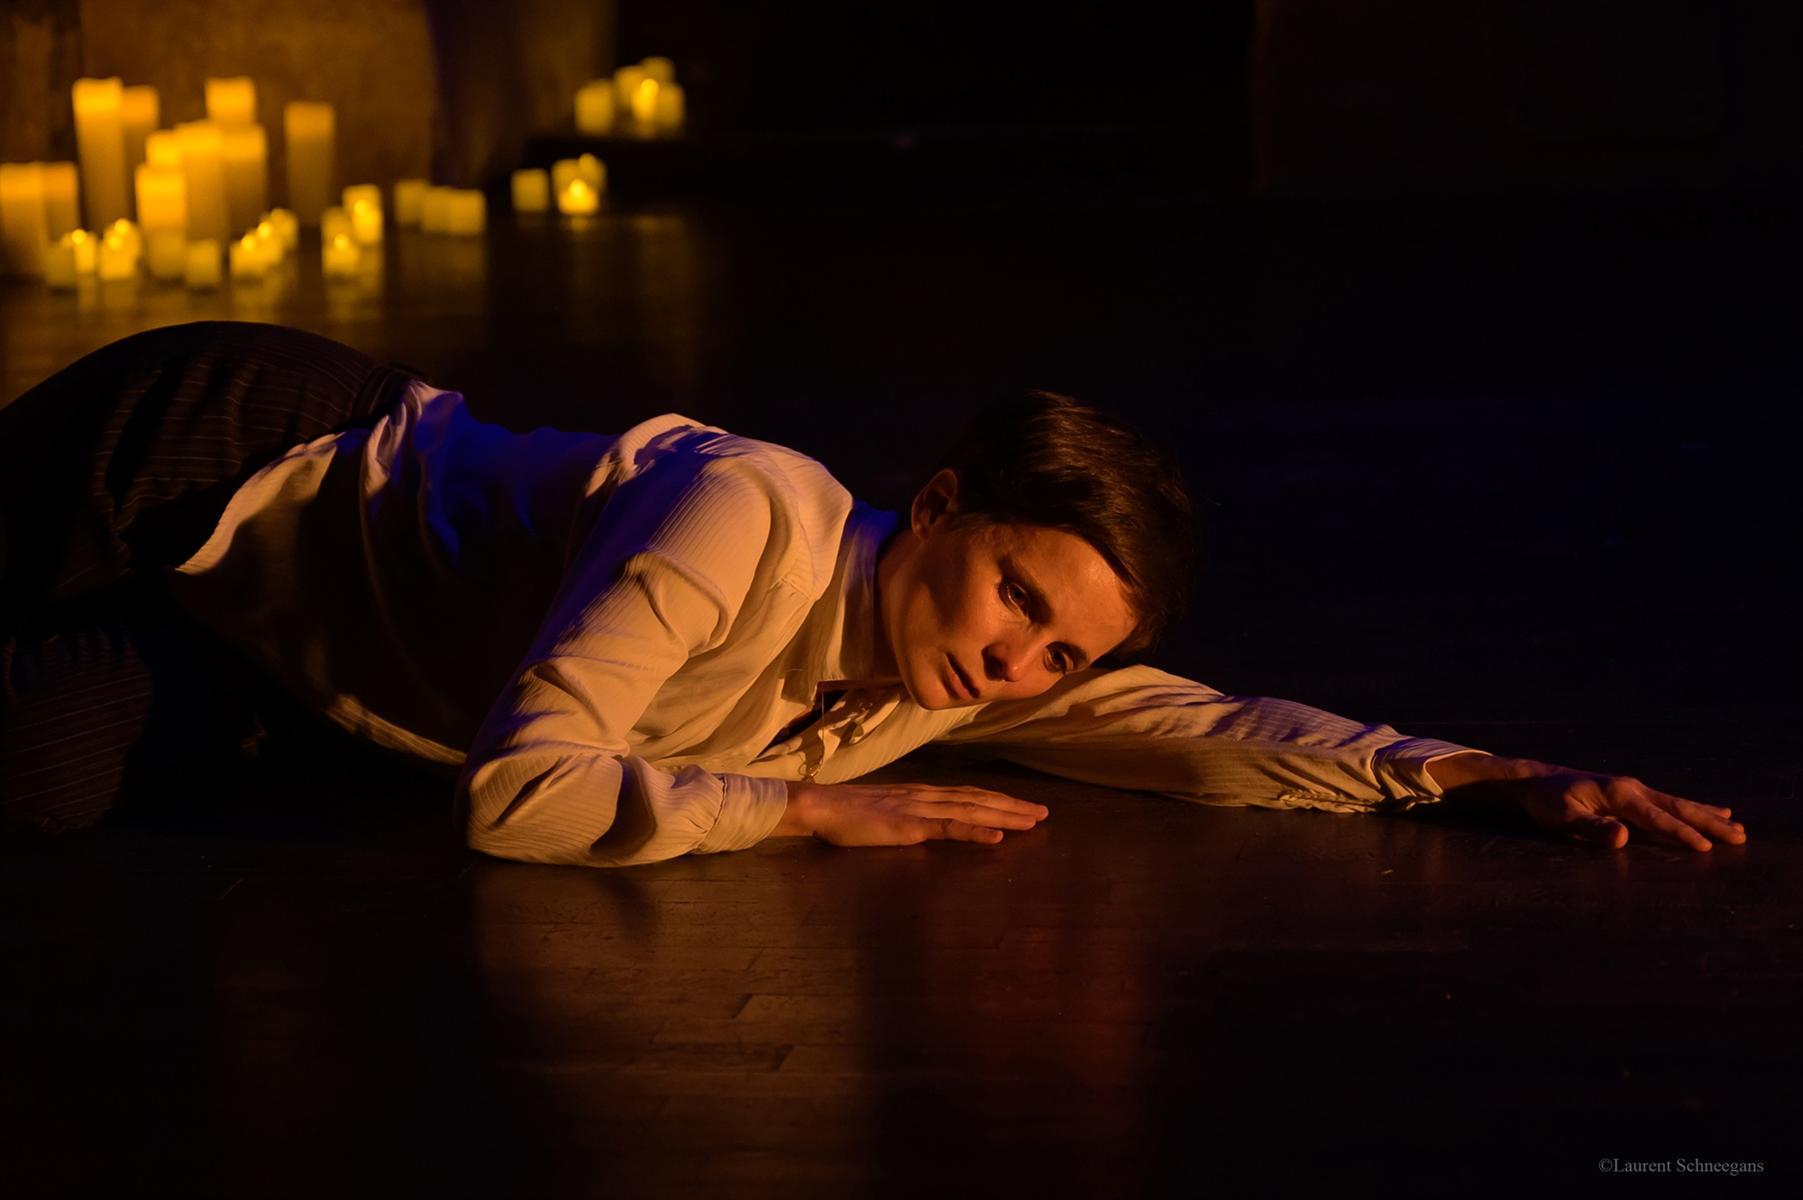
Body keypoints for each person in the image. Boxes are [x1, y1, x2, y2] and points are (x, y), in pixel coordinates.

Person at [0, 321, 1746, 863]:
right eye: (1014, 597)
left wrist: (1483, 775)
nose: (1017, 665)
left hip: (303, 677)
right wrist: (801, 811)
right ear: (943, 506)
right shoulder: (743, 514)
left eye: (1060, 652)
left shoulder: (945, 676)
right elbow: (521, 797)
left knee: (34, 771)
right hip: (237, 459)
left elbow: (1201, 728)